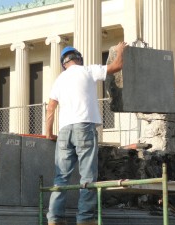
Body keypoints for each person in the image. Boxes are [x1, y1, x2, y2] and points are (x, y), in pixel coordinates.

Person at [46, 42, 128, 225]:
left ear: (64, 63)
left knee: (61, 177)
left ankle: (54, 219)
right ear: (78, 58)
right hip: (84, 127)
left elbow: (50, 109)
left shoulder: (59, 79)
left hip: (64, 131)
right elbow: (116, 67)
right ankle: (85, 219)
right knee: (88, 176)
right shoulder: (88, 71)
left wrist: (49, 134)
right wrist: (121, 50)